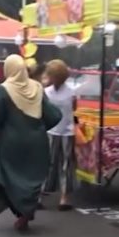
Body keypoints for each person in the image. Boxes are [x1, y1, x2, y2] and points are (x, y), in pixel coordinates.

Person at [0, 55, 62, 232]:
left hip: (11, 144)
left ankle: (22, 212)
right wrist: (40, 128)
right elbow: (54, 115)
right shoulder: (37, 87)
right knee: (31, 178)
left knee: (11, 177)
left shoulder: (3, 90)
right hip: (37, 142)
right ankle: (26, 212)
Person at [42, 60, 76, 211]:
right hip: (65, 131)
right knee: (65, 165)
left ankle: (43, 194)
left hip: (54, 131)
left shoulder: (47, 92)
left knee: (49, 163)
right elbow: (74, 109)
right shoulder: (71, 92)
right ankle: (64, 197)